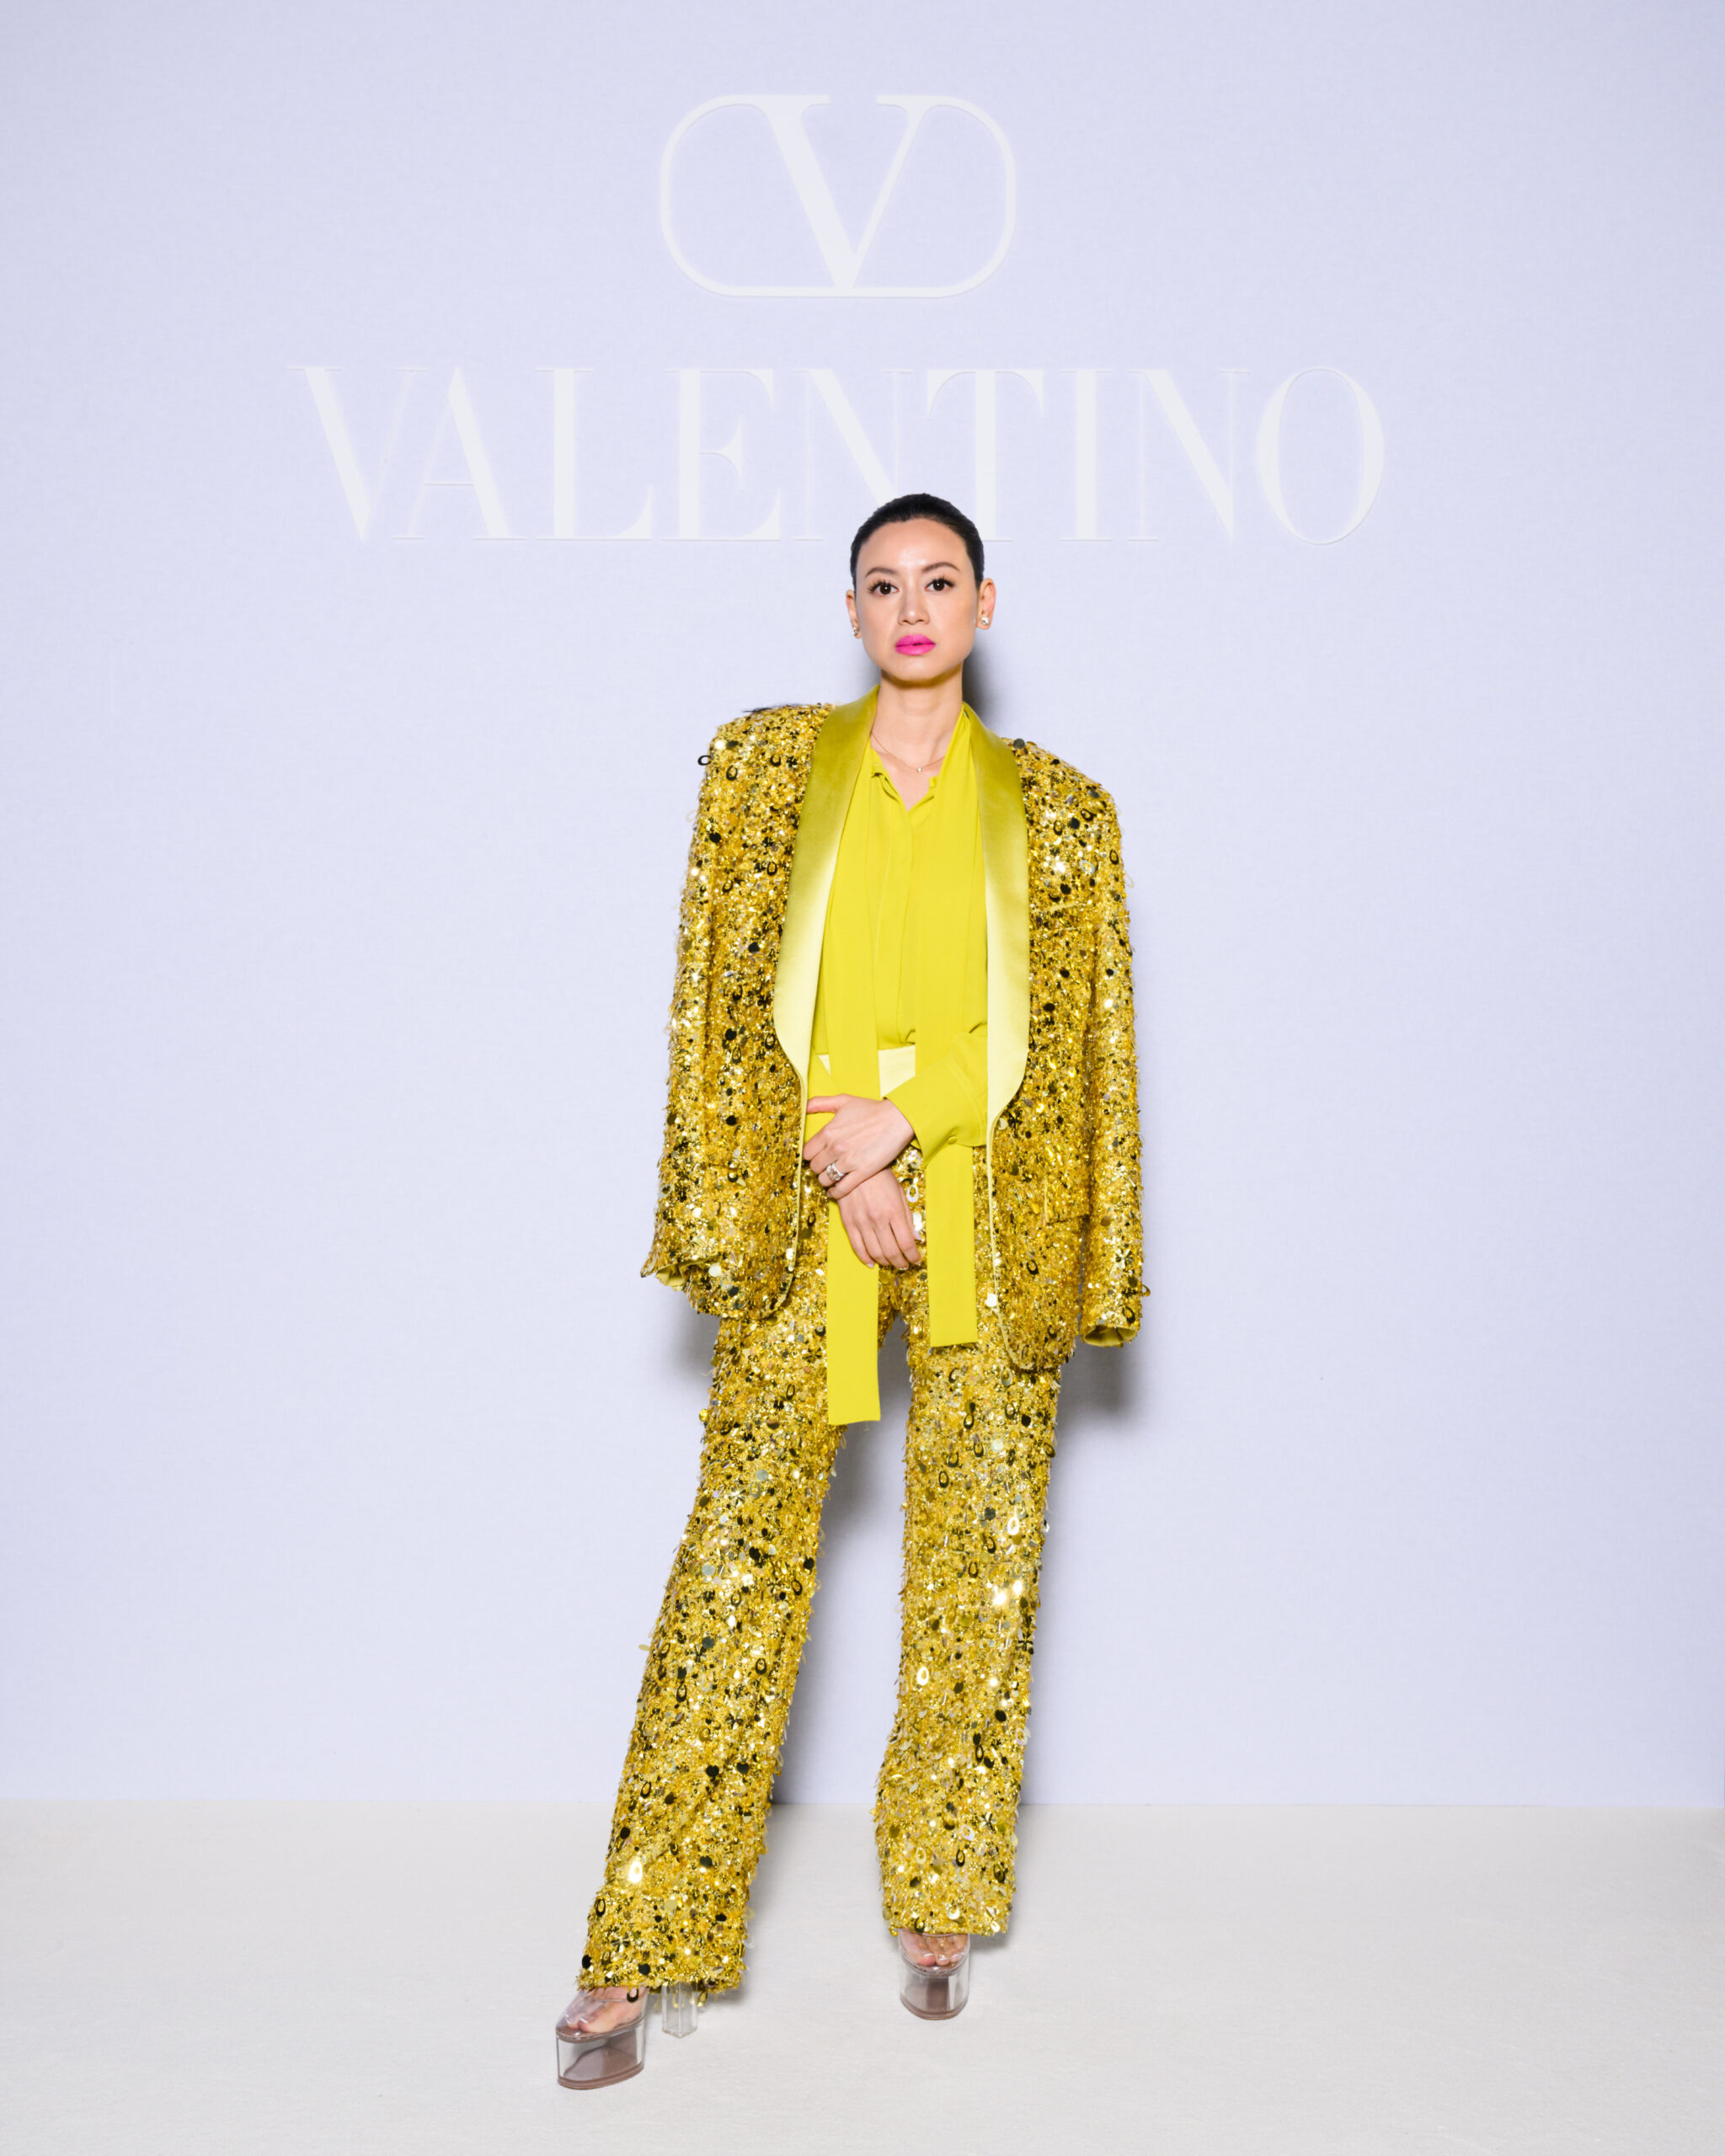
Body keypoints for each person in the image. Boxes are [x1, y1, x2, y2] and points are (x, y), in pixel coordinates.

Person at [554, 493, 1142, 2089]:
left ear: (986, 605)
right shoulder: (766, 773)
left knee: (978, 1559)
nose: (912, 606)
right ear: (852, 608)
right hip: (816, 1190)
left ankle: (941, 1898)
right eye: (884, 583)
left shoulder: (1063, 811)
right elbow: (728, 997)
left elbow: (1058, 1034)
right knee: (738, 1560)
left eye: (940, 581)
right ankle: (640, 1935)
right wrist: (846, 1151)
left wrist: (911, 1125)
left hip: (989, 1206)